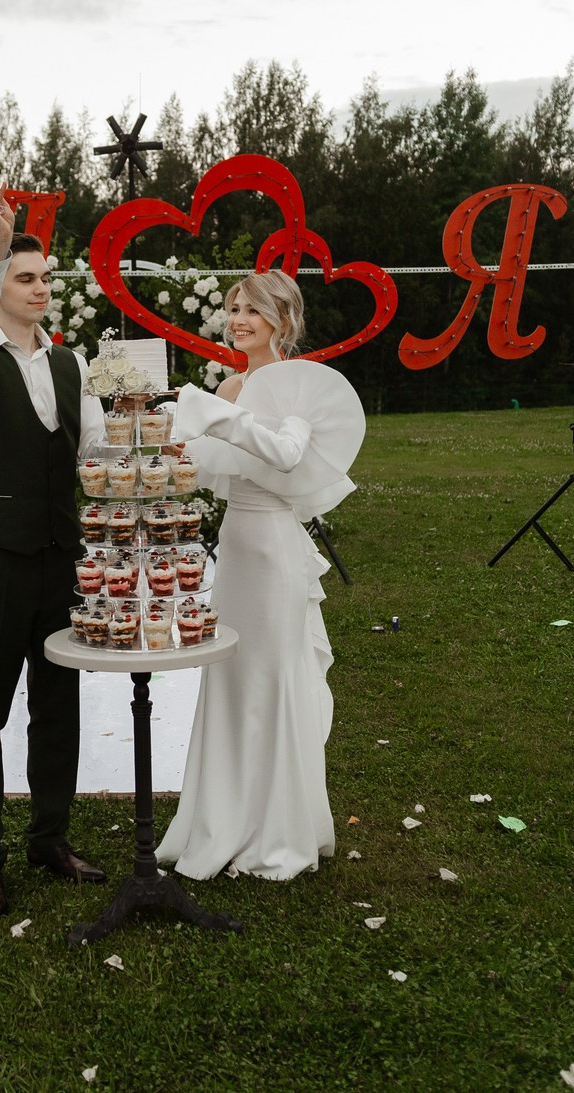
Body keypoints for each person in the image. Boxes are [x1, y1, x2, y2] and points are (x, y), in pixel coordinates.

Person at [0, 165, 112, 919]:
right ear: (1, 285)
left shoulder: (72, 365)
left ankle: (50, 836)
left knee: (59, 702)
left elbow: (98, 458)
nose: (41, 287)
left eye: (46, 276)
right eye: (26, 276)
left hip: (58, 560)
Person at [155, 269, 365, 880]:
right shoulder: (227, 384)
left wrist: (212, 414)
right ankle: (222, 819)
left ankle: (277, 829)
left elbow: (286, 455)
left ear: (284, 321)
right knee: (230, 677)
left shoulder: (298, 387)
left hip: (274, 550)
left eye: (252, 310)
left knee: (271, 680)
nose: (238, 319)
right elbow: (214, 464)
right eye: (233, 308)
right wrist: (170, 441)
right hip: (236, 546)